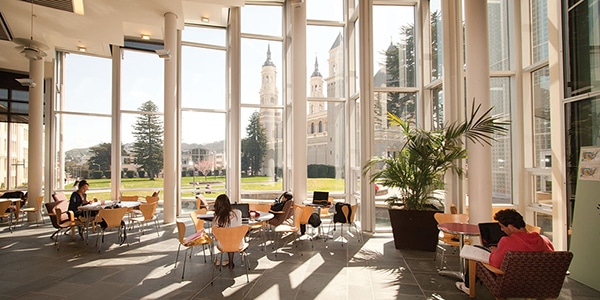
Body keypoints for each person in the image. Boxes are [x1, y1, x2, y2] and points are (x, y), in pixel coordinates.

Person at [456, 208, 554, 295]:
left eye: (502, 227)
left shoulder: (507, 241)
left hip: (512, 282)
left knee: (475, 258)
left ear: (511, 226)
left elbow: (495, 263)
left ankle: (468, 287)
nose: (502, 230)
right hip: (539, 282)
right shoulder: (544, 240)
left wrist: (495, 251)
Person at [212, 194, 242, 269]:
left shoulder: (217, 219)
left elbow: (215, 235)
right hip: (238, 243)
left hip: (223, 245)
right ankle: (231, 262)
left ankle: (219, 260)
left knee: (225, 239)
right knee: (232, 237)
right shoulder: (238, 212)